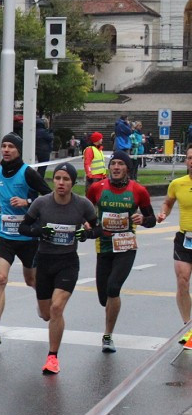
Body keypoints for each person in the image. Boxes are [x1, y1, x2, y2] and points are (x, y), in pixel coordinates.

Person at [18, 163, 97, 375]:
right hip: (44, 261)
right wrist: (39, 231)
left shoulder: (83, 205)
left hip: (68, 262)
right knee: (46, 314)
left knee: (57, 308)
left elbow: (97, 228)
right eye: (58, 179)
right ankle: (45, 309)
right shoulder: (41, 203)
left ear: (73, 182)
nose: (61, 183)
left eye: (66, 179)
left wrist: (86, 234)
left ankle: (52, 357)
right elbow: (23, 227)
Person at [0, 133, 52, 345]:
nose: (6, 150)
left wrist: (27, 200)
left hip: (28, 235)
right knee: (0, 278)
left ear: (18, 150)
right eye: (3, 146)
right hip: (4, 235)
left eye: (11, 146)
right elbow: (2, 199)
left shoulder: (28, 173)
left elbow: (47, 195)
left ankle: (41, 300)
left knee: (31, 279)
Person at [86, 151, 156, 352]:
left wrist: (143, 220)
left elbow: (151, 220)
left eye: (120, 164)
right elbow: (86, 210)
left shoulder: (138, 190)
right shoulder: (97, 188)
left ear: (127, 168)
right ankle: (109, 314)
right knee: (103, 298)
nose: (116, 167)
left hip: (126, 246)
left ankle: (108, 335)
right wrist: (88, 224)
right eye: (113, 164)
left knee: (113, 288)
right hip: (104, 245)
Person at [156, 145, 192, 346]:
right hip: (185, 239)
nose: (191, 161)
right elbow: (168, 203)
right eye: (189, 158)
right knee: (182, 281)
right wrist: (163, 213)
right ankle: (187, 327)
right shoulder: (178, 184)